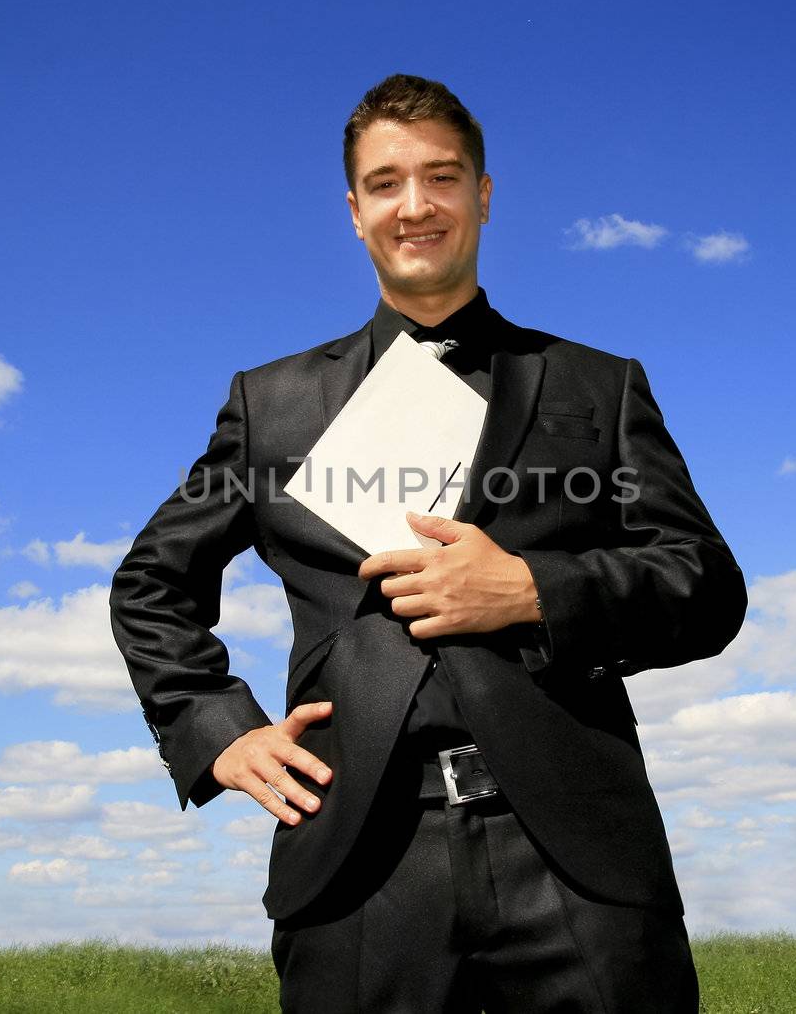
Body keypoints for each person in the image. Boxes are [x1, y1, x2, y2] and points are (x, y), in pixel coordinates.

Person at [110, 74, 746, 1012]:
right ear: (354, 212)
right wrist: (218, 731)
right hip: (360, 865)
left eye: (442, 177)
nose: (416, 205)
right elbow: (151, 582)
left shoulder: (598, 385)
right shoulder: (272, 404)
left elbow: (706, 586)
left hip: (579, 859)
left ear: (483, 195)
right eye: (386, 183)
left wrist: (535, 589)